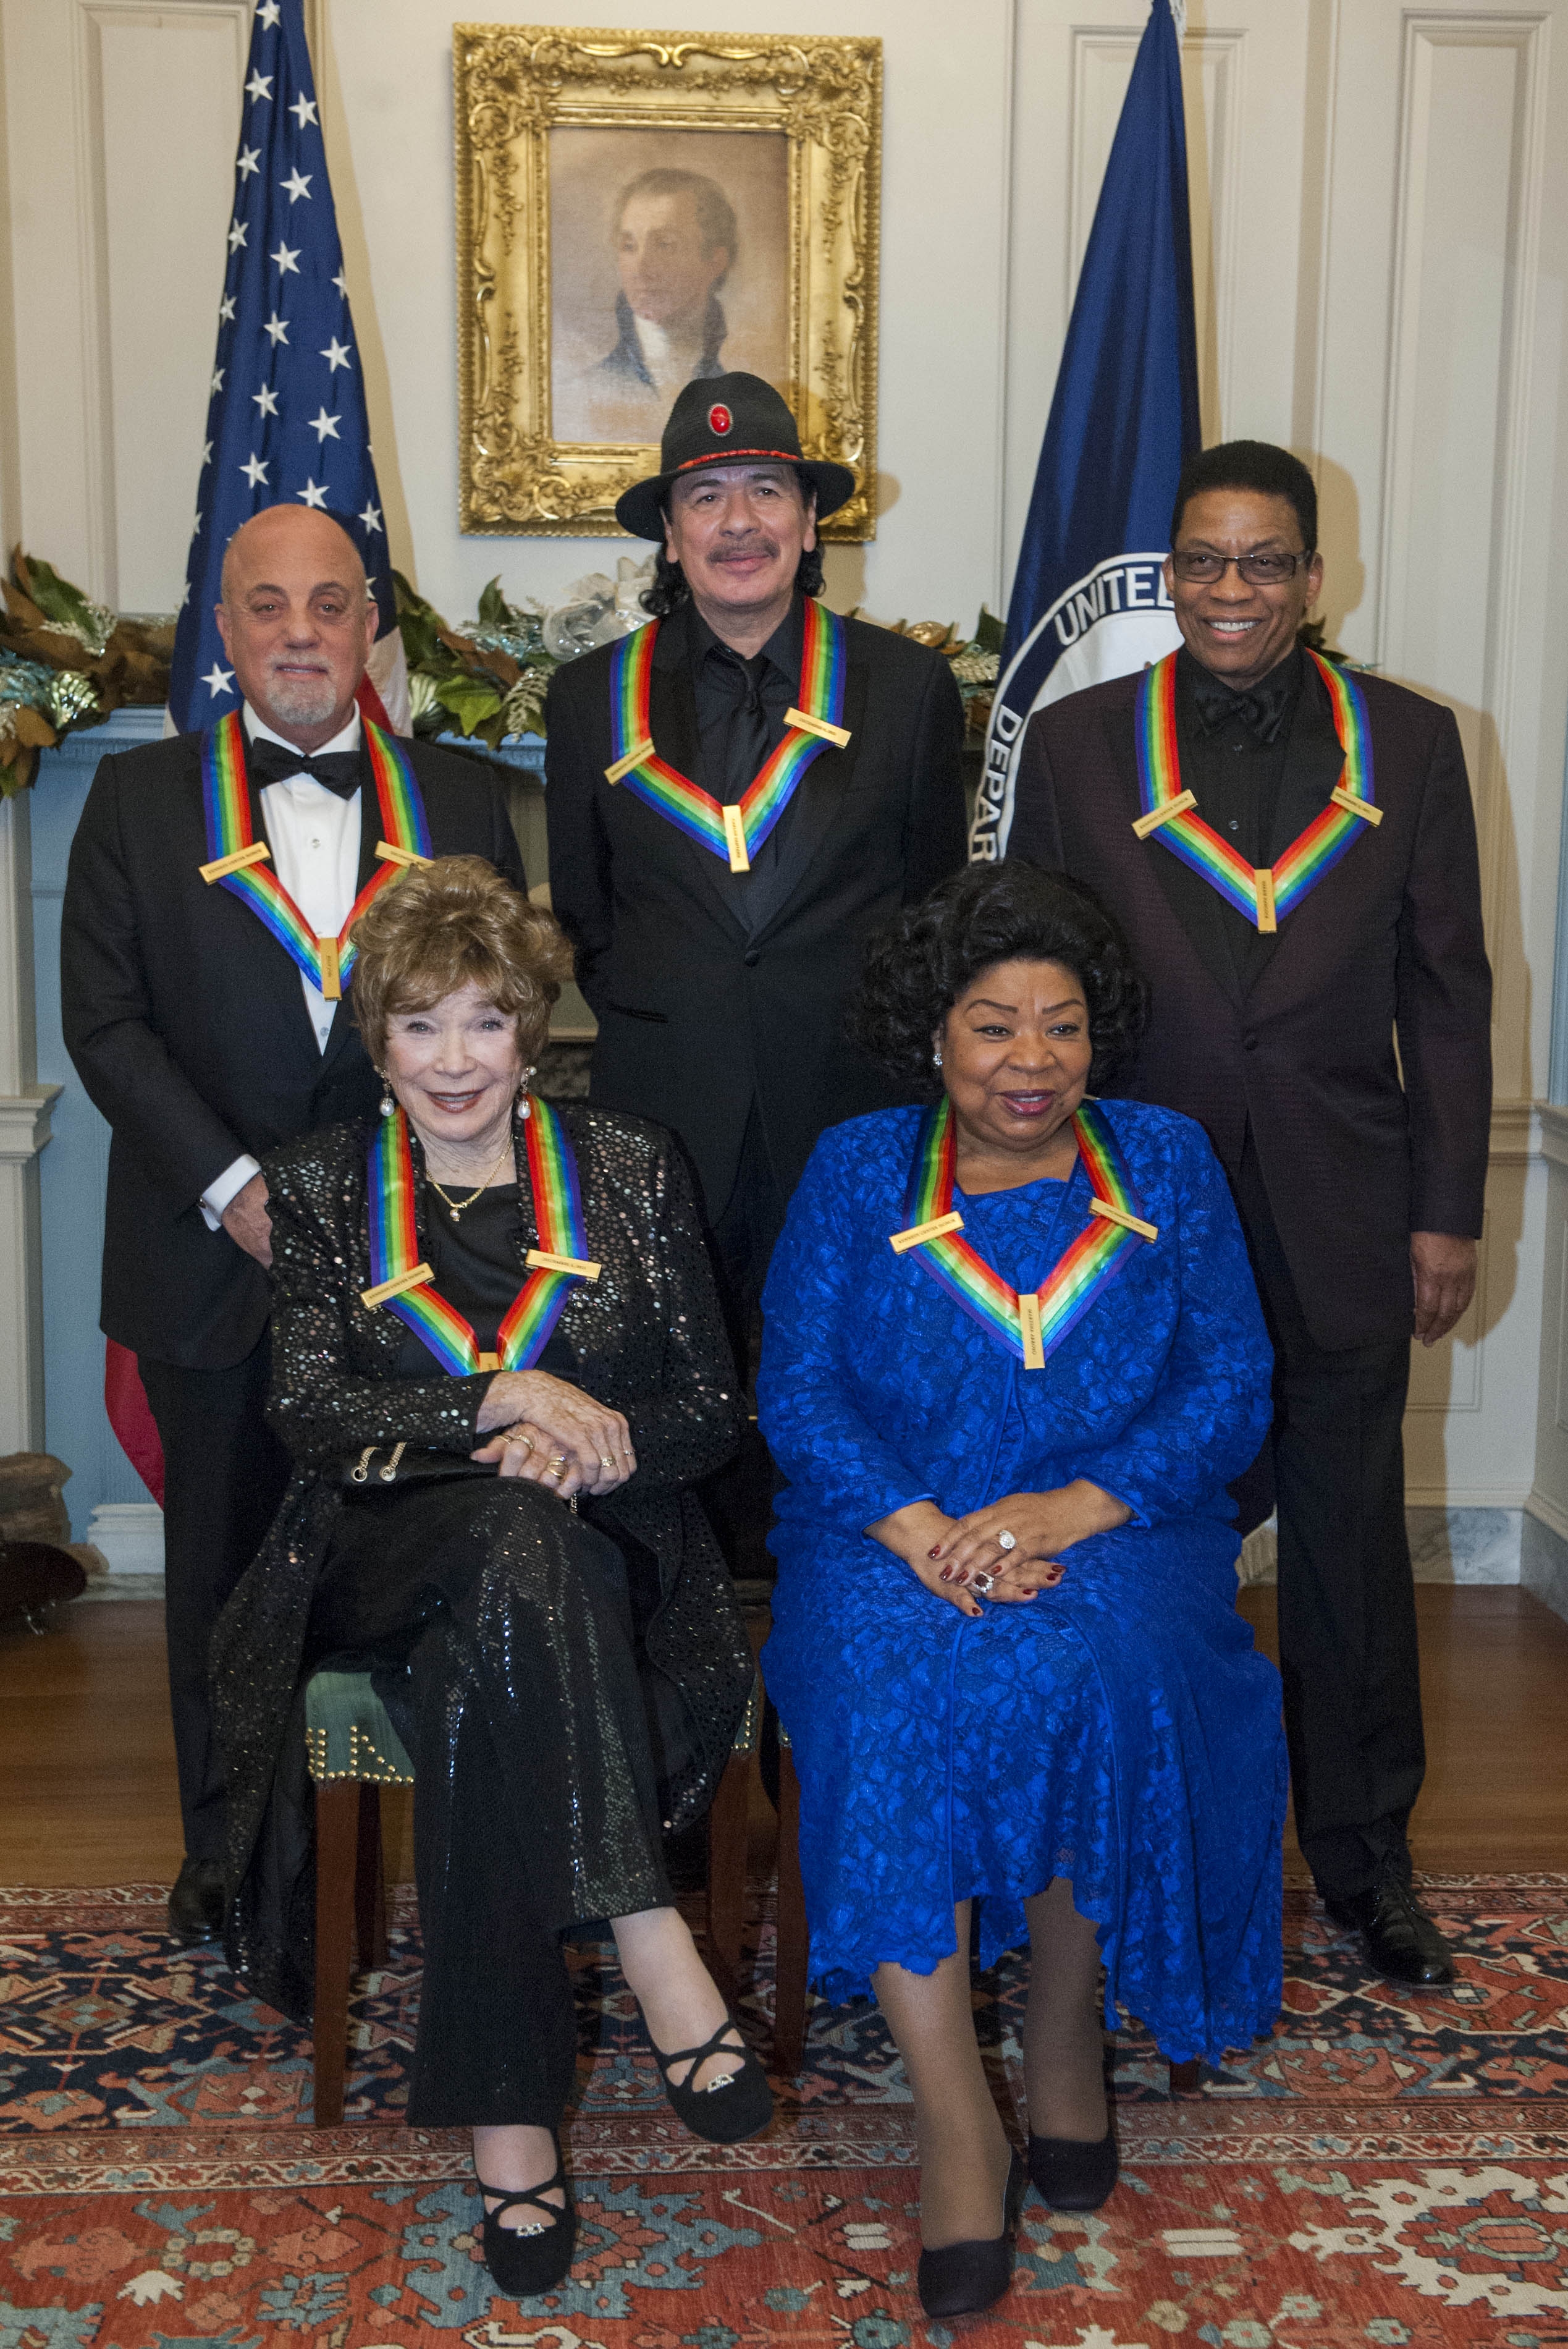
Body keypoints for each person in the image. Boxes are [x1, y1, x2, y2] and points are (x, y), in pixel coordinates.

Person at [209, 856, 767, 2297]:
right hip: (379, 1545)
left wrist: (595, 1452)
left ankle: (510, 2129)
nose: (455, 1061)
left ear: (527, 1029)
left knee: (495, 1646)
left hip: (599, 1553)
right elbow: (312, 1414)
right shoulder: (325, 1186)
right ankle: (651, 1936)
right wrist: (498, 1397)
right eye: (419, 1026)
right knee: (506, 1552)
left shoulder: (634, 1166)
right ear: (377, 1040)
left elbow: (710, 1410)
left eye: (484, 1021)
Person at [758, 861, 1286, 2323]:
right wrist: (921, 1531)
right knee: (895, 1694)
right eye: (992, 1026)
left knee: (1084, 1673)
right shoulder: (857, 1167)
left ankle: (1059, 2039)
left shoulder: (1165, 1162)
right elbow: (795, 1392)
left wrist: (1070, 1504)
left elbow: (1230, 1384)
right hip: (883, 1537)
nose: (1030, 1062)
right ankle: (952, 2119)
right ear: (932, 1036)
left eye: (1060, 1026)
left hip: (1121, 1528)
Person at [1004, 439, 1493, 1989]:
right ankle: (1114, 1848)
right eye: (1202, 564)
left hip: (1346, 1200)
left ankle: (1364, 1864)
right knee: (1133, 1526)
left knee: (1348, 1540)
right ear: (1165, 576)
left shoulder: (1409, 745)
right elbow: (1021, 983)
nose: (1230, 591)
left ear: (1309, 579)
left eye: (1262, 563)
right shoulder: (1081, 745)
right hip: (1127, 1219)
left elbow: (1451, 995)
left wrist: (1444, 1209)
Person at [60, 504, 526, 1950]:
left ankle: (437, 1879)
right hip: (209, 1262)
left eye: (330, 605)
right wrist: (236, 1188)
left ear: (369, 624)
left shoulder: (454, 795)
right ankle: (235, 1884)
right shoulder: (137, 801)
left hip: (415, 1274)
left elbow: (482, 1029)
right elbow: (107, 1024)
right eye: (270, 607)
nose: (303, 634)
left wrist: (385, 1203)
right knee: (219, 1585)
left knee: (409, 1568)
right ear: (226, 628)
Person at [546, 371, 967, 1552]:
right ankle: (692, 1661)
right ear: (670, 536)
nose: (739, 522)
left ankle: (839, 1641)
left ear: (807, 518)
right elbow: (581, 915)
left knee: (850, 1392)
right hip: (661, 1115)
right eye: (708, 496)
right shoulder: (588, 699)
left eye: (765, 490)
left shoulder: (907, 689)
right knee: (665, 1394)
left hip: (851, 1111)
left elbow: (934, 914)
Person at [597, 168, 735, 404]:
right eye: (629, 246)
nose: (640, 269)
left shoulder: (744, 390)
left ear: (715, 261)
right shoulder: (588, 390)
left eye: (664, 245)